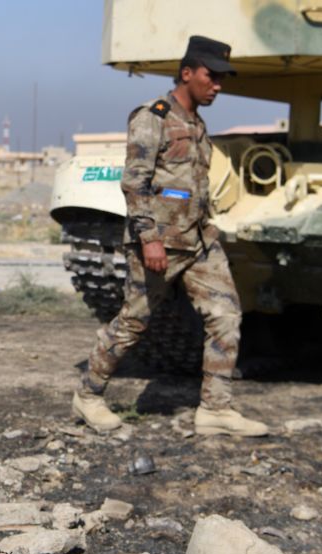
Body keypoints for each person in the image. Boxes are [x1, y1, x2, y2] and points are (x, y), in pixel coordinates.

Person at [71, 35, 269, 437]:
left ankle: (215, 408)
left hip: (197, 240)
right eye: (210, 76)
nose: (218, 84)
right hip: (160, 242)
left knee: (226, 315)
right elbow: (135, 182)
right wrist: (148, 238)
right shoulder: (154, 117)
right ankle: (88, 395)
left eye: (222, 78)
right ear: (187, 73)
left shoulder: (196, 123)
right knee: (133, 322)